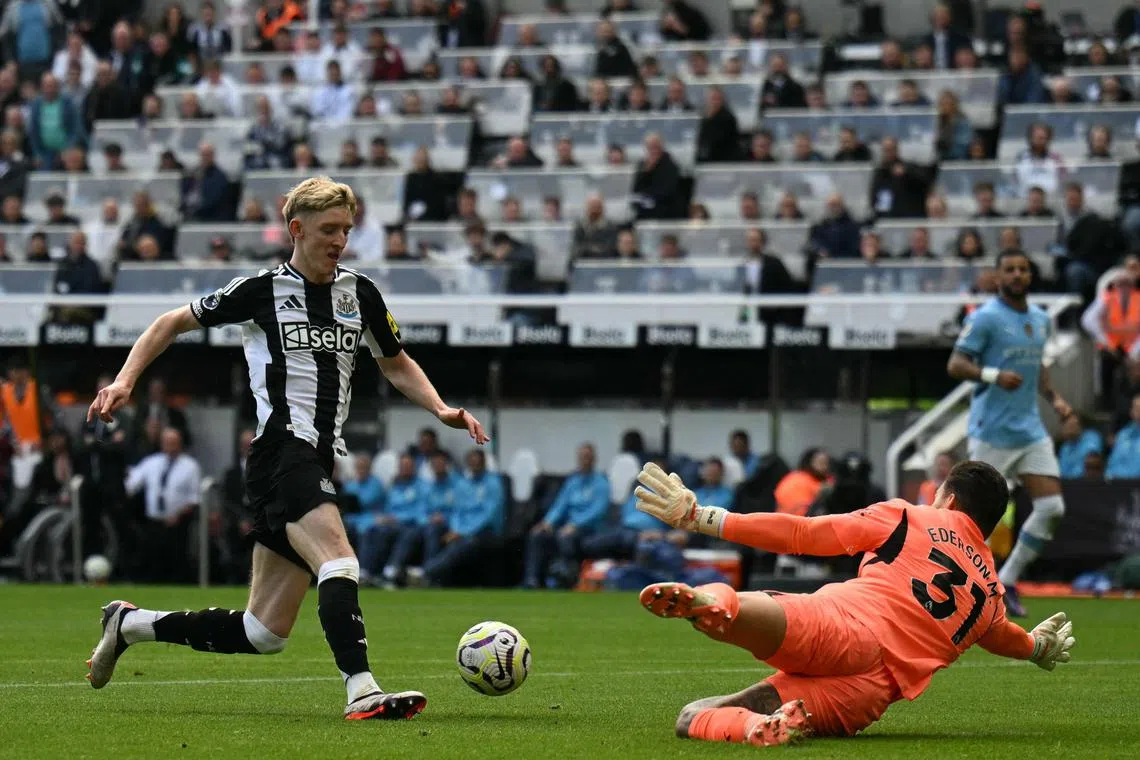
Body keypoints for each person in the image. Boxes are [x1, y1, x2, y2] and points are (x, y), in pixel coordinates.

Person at [85, 176, 489, 721]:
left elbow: (395, 361)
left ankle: (129, 624)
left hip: (317, 457)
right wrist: (125, 381)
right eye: (328, 229)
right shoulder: (261, 290)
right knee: (341, 561)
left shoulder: (360, 293)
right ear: (296, 230)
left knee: (263, 632)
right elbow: (170, 322)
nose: (339, 240)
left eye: (345, 229)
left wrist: (440, 407)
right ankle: (362, 689)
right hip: (282, 450)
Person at [631, 461, 1075, 746]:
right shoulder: (991, 594)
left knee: (740, 617)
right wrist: (1037, 647)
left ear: (950, 499)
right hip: (867, 694)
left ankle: (715, 603)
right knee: (696, 716)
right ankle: (752, 728)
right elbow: (1006, 640)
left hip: (846, 626)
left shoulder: (910, 516)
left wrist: (702, 518)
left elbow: (803, 534)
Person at [947, 249, 1073, 617]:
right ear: (998, 277)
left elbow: (1038, 368)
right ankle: (950, 588)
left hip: (1029, 429)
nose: (1018, 274)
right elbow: (955, 364)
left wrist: (1056, 399)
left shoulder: (1039, 319)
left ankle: (1008, 582)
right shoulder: (986, 318)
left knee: (1052, 508)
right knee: (971, 521)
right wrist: (992, 375)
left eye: (1023, 268)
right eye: (1010, 270)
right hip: (992, 431)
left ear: (1030, 276)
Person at [522, 443, 610, 589]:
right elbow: (560, 505)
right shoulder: (573, 481)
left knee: (565, 537)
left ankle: (567, 579)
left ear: (594, 459)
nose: (584, 460)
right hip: (567, 527)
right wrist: (548, 522)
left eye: (588, 457)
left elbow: (598, 511)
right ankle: (532, 580)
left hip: (589, 529)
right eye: (582, 457)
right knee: (537, 535)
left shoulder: (601, 482)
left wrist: (576, 525)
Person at [124, 427, 201, 583]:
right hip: (153, 522)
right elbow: (131, 484)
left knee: (177, 563)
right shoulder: (151, 462)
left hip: (178, 522)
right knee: (152, 561)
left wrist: (178, 515)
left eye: (174, 443)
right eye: (167, 442)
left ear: (180, 444)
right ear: (161, 443)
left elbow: (194, 498)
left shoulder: (190, 466)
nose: (171, 447)